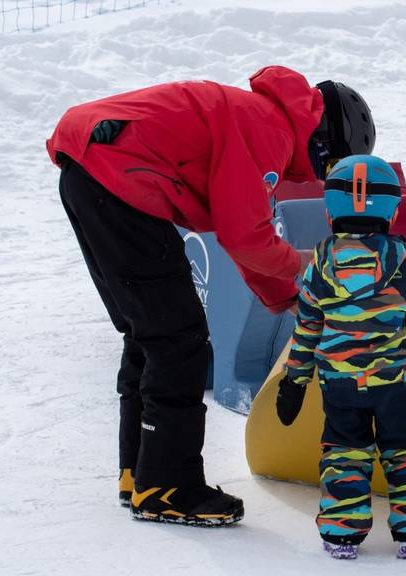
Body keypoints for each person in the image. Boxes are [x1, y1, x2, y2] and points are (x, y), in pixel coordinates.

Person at [46, 65, 375, 527]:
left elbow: (239, 232)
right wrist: (304, 263)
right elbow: (246, 239)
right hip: (118, 178)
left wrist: (288, 299)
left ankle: (141, 471)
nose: (322, 177)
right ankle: (169, 485)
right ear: (325, 140)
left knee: (150, 331)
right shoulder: (268, 130)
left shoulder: (258, 117)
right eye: (331, 166)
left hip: (93, 171)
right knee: (178, 338)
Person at [275, 155, 406, 558]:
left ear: (331, 210)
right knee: (405, 452)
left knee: (344, 454)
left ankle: (340, 534)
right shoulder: (403, 266)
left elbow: (306, 330)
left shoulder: (319, 267)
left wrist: (294, 381)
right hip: (396, 386)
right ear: (393, 210)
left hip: (340, 385)